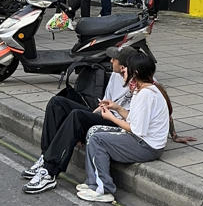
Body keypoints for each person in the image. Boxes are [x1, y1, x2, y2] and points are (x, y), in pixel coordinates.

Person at [22, 48, 135, 194]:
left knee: (77, 116)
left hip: (118, 123)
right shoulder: (115, 75)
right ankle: (46, 158)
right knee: (57, 103)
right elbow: (105, 103)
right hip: (105, 115)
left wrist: (97, 117)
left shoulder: (140, 82)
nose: (111, 61)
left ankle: (50, 172)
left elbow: (135, 119)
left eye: (114, 59)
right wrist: (92, 116)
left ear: (123, 66)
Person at [76, 48, 169, 204]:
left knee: (97, 138)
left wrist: (111, 118)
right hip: (143, 141)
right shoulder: (144, 90)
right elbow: (134, 119)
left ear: (136, 72)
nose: (122, 73)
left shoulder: (145, 94)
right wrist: (117, 108)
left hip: (147, 147)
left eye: (125, 70)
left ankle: (103, 189)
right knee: (93, 131)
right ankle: (94, 182)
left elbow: (136, 129)